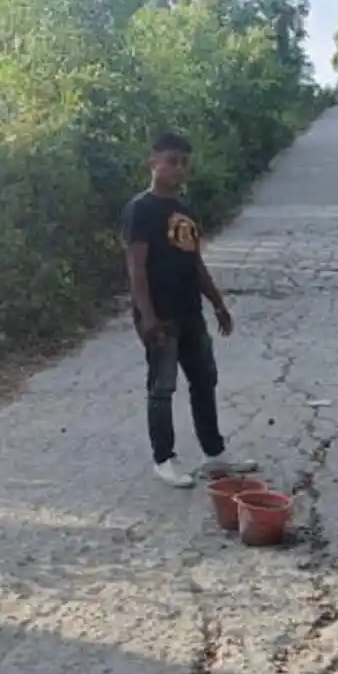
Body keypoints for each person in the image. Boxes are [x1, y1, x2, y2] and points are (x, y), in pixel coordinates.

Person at [121, 132, 256, 487]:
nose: (178, 169)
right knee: (162, 388)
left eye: (183, 163)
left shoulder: (186, 209)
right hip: (159, 315)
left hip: (190, 311)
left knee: (204, 381)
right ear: (153, 162)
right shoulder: (141, 210)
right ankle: (164, 459)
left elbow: (194, 262)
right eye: (171, 161)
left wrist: (218, 303)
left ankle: (214, 454)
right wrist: (147, 316)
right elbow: (136, 268)